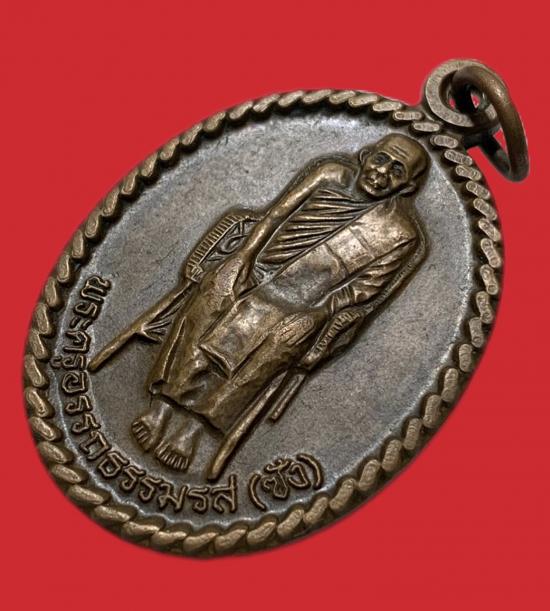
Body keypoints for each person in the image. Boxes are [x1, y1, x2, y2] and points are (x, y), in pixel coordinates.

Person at [116, 133, 429, 475]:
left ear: (408, 187)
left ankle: (193, 428)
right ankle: (162, 406)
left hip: (305, 303)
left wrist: (319, 313)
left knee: (281, 342)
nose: (381, 174)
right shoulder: (329, 173)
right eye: (381, 160)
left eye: (397, 171)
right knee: (214, 294)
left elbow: (363, 291)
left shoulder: (400, 234)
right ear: (367, 155)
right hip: (257, 268)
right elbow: (275, 215)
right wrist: (242, 257)